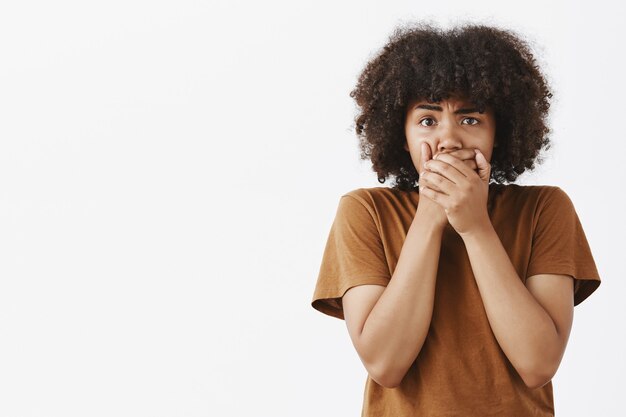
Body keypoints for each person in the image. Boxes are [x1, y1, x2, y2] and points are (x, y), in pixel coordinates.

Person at [310, 22, 601, 416]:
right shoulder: (365, 212)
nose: (449, 139)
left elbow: (538, 364)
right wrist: (431, 215)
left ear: (500, 131)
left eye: (470, 119)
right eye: (428, 120)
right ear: (402, 133)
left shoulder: (545, 209)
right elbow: (385, 364)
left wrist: (475, 226)